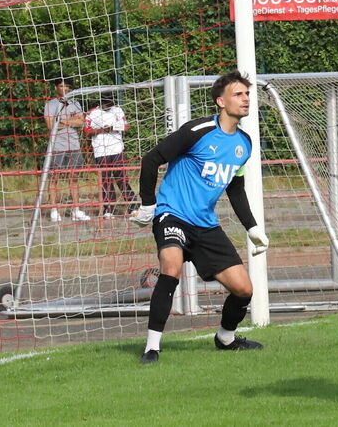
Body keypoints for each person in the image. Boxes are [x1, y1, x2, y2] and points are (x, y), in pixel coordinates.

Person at [128, 71, 270, 364]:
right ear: (220, 101)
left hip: (205, 224)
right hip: (172, 214)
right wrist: (147, 205)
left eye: (247, 94)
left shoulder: (244, 144)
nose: (245, 99)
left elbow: (235, 188)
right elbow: (151, 159)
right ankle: (152, 348)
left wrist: (252, 227)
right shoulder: (199, 130)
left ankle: (226, 339)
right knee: (171, 267)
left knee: (244, 289)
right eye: (238, 94)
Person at [44, 78, 90, 221]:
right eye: (62, 86)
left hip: (74, 145)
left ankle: (76, 209)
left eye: (67, 86)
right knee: (54, 178)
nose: (65, 89)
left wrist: (62, 121)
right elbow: (51, 125)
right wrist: (71, 121)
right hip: (57, 146)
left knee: (74, 177)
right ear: (56, 87)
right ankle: (54, 210)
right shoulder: (50, 104)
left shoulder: (75, 103)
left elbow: (81, 122)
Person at [85, 93, 136, 218]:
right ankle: (108, 209)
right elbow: (87, 131)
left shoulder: (117, 110)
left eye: (111, 101)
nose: (109, 104)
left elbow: (126, 126)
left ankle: (133, 206)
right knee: (105, 181)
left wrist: (111, 128)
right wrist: (101, 130)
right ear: (102, 101)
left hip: (117, 149)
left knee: (122, 179)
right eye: (107, 102)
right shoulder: (93, 113)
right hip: (101, 151)